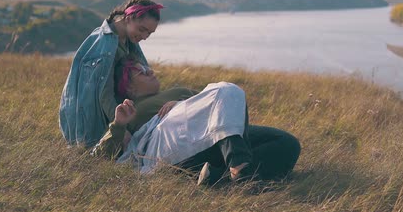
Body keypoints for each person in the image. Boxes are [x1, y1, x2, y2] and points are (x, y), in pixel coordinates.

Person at [92, 60, 301, 184]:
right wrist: (119, 125)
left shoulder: (172, 92)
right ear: (128, 87)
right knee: (226, 89)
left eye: (148, 67)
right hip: (165, 141)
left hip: (209, 133)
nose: (150, 71)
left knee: (287, 144)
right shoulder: (130, 108)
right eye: (141, 71)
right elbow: (100, 156)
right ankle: (239, 166)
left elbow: (214, 106)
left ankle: (219, 178)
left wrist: (185, 103)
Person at [58, 0, 164, 148]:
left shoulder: (126, 39)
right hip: (93, 122)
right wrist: (120, 128)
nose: (145, 37)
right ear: (128, 18)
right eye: (142, 29)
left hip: (116, 111)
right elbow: (104, 94)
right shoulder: (106, 46)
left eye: (149, 33)